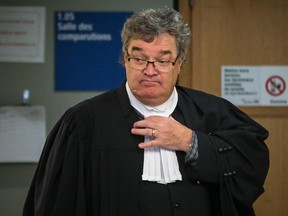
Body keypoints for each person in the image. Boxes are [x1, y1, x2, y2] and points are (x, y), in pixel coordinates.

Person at [23, 7, 269, 216]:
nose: (150, 71)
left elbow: (251, 164)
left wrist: (190, 141)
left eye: (162, 61)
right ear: (125, 58)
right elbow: (58, 202)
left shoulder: (214, 112)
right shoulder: (82, 122)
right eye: (140, 59)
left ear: (179, 63)